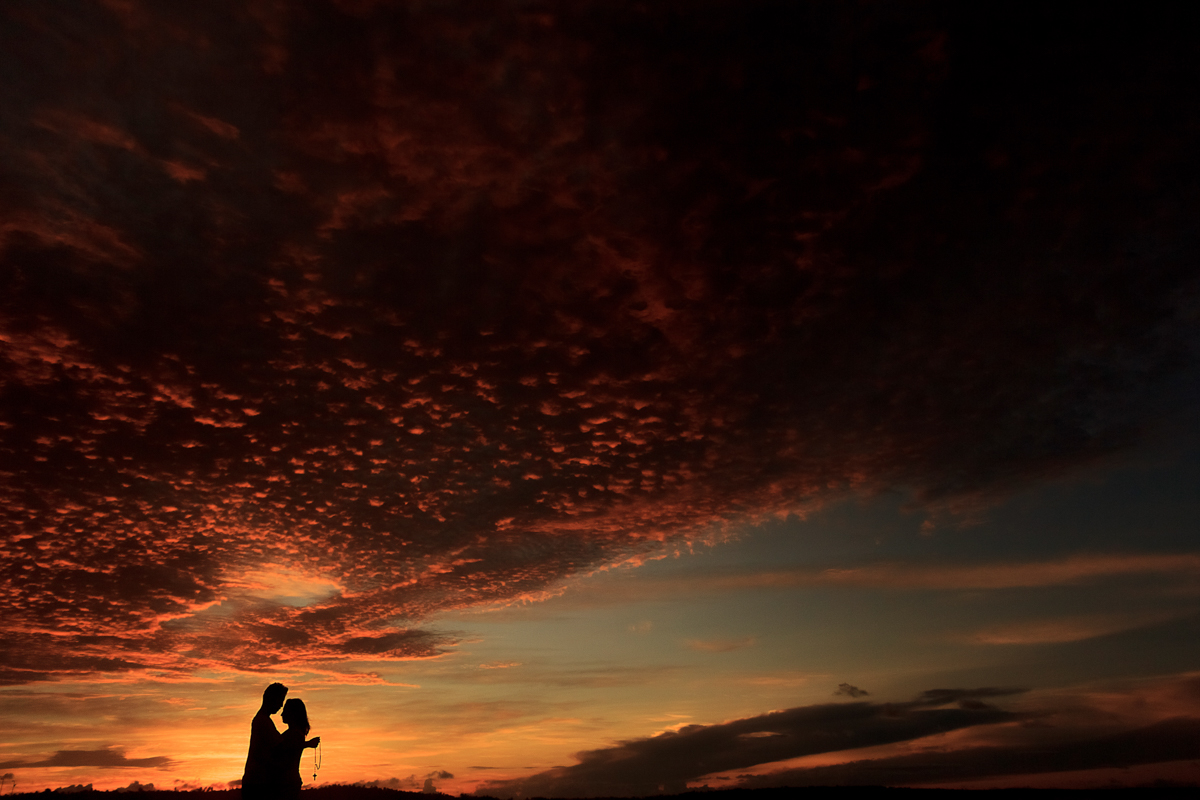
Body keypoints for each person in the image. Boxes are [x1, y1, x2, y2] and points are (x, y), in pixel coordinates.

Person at [241, 683, 288, 800]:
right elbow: (281, 746)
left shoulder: (262, 720)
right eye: (280, 700)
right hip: (258, 782)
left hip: (256, 780)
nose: (281, 705)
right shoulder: (263, 721)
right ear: (272, 699)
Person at [276, 698, 321, 800]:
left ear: (293, 714)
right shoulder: (294, 733)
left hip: (287, 782)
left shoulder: (294, 734)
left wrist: (307, 744)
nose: (282, 714)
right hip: (289, 781)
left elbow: (289, 747)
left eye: (285, 711)